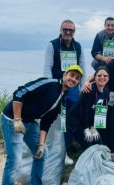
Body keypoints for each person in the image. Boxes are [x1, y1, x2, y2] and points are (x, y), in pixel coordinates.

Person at [0, 65, 83, 185]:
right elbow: (19, 92)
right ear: (65, 74)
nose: (73, 79)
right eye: (72, 75)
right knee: (14, 161)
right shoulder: (48, 83)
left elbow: (47, 121)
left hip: (30, 123)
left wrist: (42, 144)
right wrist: (17, 119)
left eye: (77, 78)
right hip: (12, 119)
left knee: (41, 154)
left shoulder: (61, 98)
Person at [43, 19, 85, 163]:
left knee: (71, 118)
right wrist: (49, 86)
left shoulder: (78, 46)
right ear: (60, 30)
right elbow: (47, 66)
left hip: (73, 87)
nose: (68, 32)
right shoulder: (52, 45)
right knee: (57, 119)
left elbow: (82, 67)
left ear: (74, 32)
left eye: (71, 30)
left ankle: (66, 149)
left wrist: (82, 88)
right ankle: (55, 149)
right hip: (57, 85)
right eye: (65, 29)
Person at [67, 67, 111, 149]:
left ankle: (99, 161)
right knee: (89, 146)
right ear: (95, 77)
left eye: (105, 76)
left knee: (100, 145)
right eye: (99, 75)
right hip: (76, 122)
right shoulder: (88, 89)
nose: (102, 77)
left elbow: (99, 112)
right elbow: (83, 111)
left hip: (89, 122)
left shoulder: (106, 91)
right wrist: (86, 128)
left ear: (108, 78)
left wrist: (93, 127)